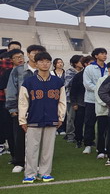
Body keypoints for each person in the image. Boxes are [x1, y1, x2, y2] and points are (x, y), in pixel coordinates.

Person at [17, 51, 66, 183]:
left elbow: (62, 101)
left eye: (47, 61)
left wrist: (61, 117)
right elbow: (23, 102)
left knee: (48, 149)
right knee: (31, 148)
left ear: (51, 63)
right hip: (33, 119)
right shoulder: (29, 82)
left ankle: (45, 172)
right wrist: (22, 120)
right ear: (36, 63)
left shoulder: (58, 82)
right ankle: (30, 173)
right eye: (41, 61)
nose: (45, 64)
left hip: (52, 118)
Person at [5, 44, 46, 174]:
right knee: (19, 136)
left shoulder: (44, 71)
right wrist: (12, 108)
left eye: (39, 52)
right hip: (22, 108)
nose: (36, 55)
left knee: (37, 138)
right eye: (33, 52)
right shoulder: (18, 70)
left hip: (39, 109)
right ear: (28, 54)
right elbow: (11, 88)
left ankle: (35, 162)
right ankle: (19, 162)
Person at [82, 47, 108, 155]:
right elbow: (87, 84)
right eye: (102, 53)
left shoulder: (108, 68)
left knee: (103, 124)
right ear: (96, 56)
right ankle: (88, 144)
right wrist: (99, 90)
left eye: (105, 53)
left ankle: (102, 145)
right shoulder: (89, 68)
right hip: (91, 100)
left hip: (104, 101)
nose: (104, 55)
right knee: (89, 123)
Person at [94, 60, 110, 159]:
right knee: (101, 131)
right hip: (102, 110)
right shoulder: (102, 79)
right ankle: (100, 150)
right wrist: (106, 103)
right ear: (108, 69)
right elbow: (98, 94)